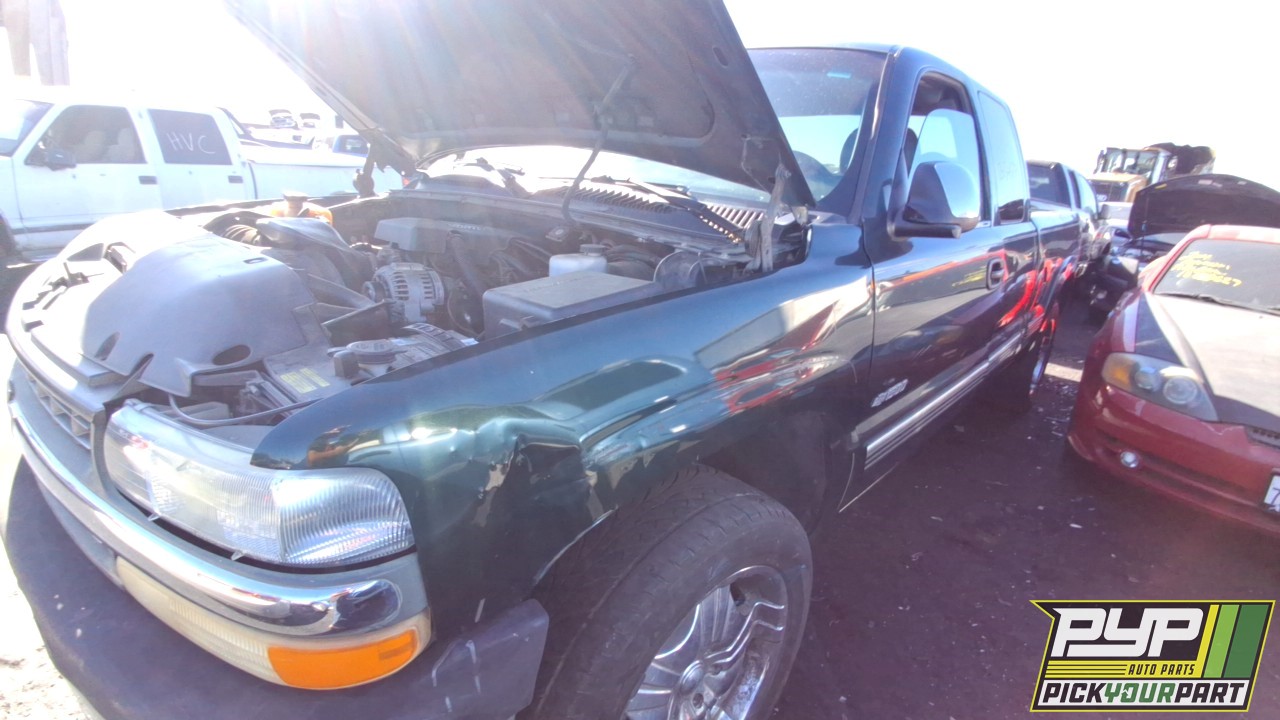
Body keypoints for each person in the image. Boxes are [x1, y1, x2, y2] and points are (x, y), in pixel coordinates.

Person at [266, 191, 333, 223]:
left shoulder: (321, 213)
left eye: (298, 205)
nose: (295, 205)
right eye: (292, 206)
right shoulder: (276, 211)